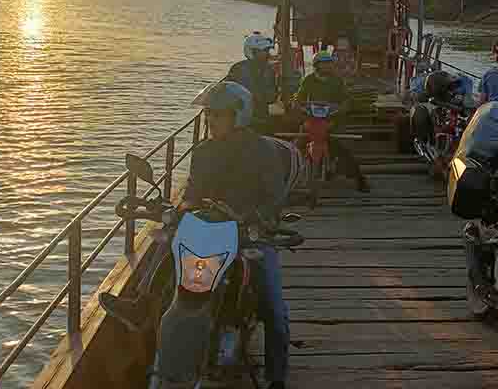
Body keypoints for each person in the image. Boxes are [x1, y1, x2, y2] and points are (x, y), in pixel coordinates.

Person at [103, 81, 292, 389]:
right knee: (165, 239)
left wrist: (254, 217)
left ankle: (277, 377)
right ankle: (142, 302)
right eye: (208, 114)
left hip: (249, 232)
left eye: (218, 114)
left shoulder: (263, 150)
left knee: (273, 305)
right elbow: (193, 191)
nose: (210, 120)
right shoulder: (203, 151)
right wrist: (175, 208)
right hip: (209, 229)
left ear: (239, 115)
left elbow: (274, 198)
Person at [291, 51, 370, 193]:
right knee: (296, 146)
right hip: (312, 120)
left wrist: (342, 108)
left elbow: (345, 99)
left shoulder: (337, 81)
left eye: (329, 63)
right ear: (317, 65)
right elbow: (299, 97)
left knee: (342, 149)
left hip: (332, 120)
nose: (328, 66)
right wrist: (297, 104)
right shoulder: (308, 80)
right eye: (324, 63)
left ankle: (360, 179)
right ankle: (289, 176)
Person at [225, 32, 277, 133]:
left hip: (261, 119)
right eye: (263, 51)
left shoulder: (269, 70)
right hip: (240, 120)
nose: (267, 54)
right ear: (252, 51)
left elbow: (272, 97)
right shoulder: (237, 69)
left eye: (267, 50)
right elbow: (228, 93)